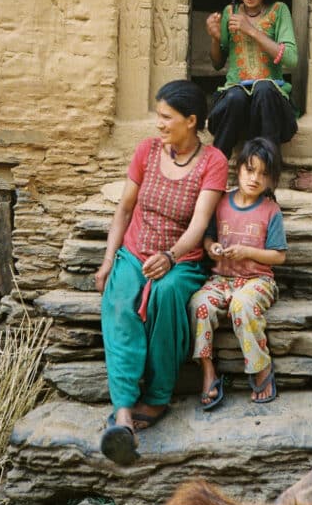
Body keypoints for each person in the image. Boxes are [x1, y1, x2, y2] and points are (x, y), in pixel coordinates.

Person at [96, 80, 228, 465]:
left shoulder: (213, 161)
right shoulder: (146, 151)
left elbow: (199, 223)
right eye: (158, 116)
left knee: (168, 296)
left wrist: (170, 257)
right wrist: (109, 260)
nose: (159, 124)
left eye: (166, 117)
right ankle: (122, 412)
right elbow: (124, 210)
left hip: (181, 259)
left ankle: (156, 397)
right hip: (135, 251)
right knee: (119, 301)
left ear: (191, 121)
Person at [189, 137, 286, 409]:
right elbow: (207, 239)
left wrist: (248, 252)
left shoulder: (271, 211)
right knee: (199, 304)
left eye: (264, 174)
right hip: (221, 279)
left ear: (271, 180)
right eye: (250, 169)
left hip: (258, 281)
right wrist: (213, 248)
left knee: (242, 305)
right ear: (239, 168)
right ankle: (208, 370)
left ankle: (260, 367)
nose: (255, 178)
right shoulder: (221, 202)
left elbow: (279, 256)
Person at [206, 0, 298, 159]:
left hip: (270, 108)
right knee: (236, 95)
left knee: (264, 88)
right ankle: (215, 168)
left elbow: (291, 59)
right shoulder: (229, 13)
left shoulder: (279, 10)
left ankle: (267, 170)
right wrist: (215, 38)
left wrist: (252, 31)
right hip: (234, 106)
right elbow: (217, 63)